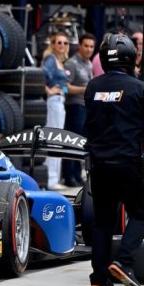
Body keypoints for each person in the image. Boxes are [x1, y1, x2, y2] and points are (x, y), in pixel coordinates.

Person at [85, 33, 144, 286]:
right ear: (130, 57)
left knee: (103, 220)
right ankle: (123, 262)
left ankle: (98, 278)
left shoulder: (92, 86)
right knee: (143, 212)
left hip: (99, 163)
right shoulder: (139, 87)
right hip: (128, 161)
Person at [62, 32, 95, 187]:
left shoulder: (89, 64)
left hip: (85, 107)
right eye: (86, 46)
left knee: (81, 143)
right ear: (80, 46)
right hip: (74, 106)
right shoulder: (72, 63)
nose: (89, 49)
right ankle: (68, 175)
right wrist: (85, 89)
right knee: (71, 141)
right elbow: (66, 87)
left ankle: (76, 173)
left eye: (91, 46)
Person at [42, 32, 71, 191]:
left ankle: (53, 177)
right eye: (59, 42)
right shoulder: (51, 60)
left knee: (57, 139)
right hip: (54, 101)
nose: (62, 45)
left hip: (60, 101)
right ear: (53, 44)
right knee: (54, 138)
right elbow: (41, 75)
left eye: (65, 43)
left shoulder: (60, 61)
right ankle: (51, 179)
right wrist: (48, 90)